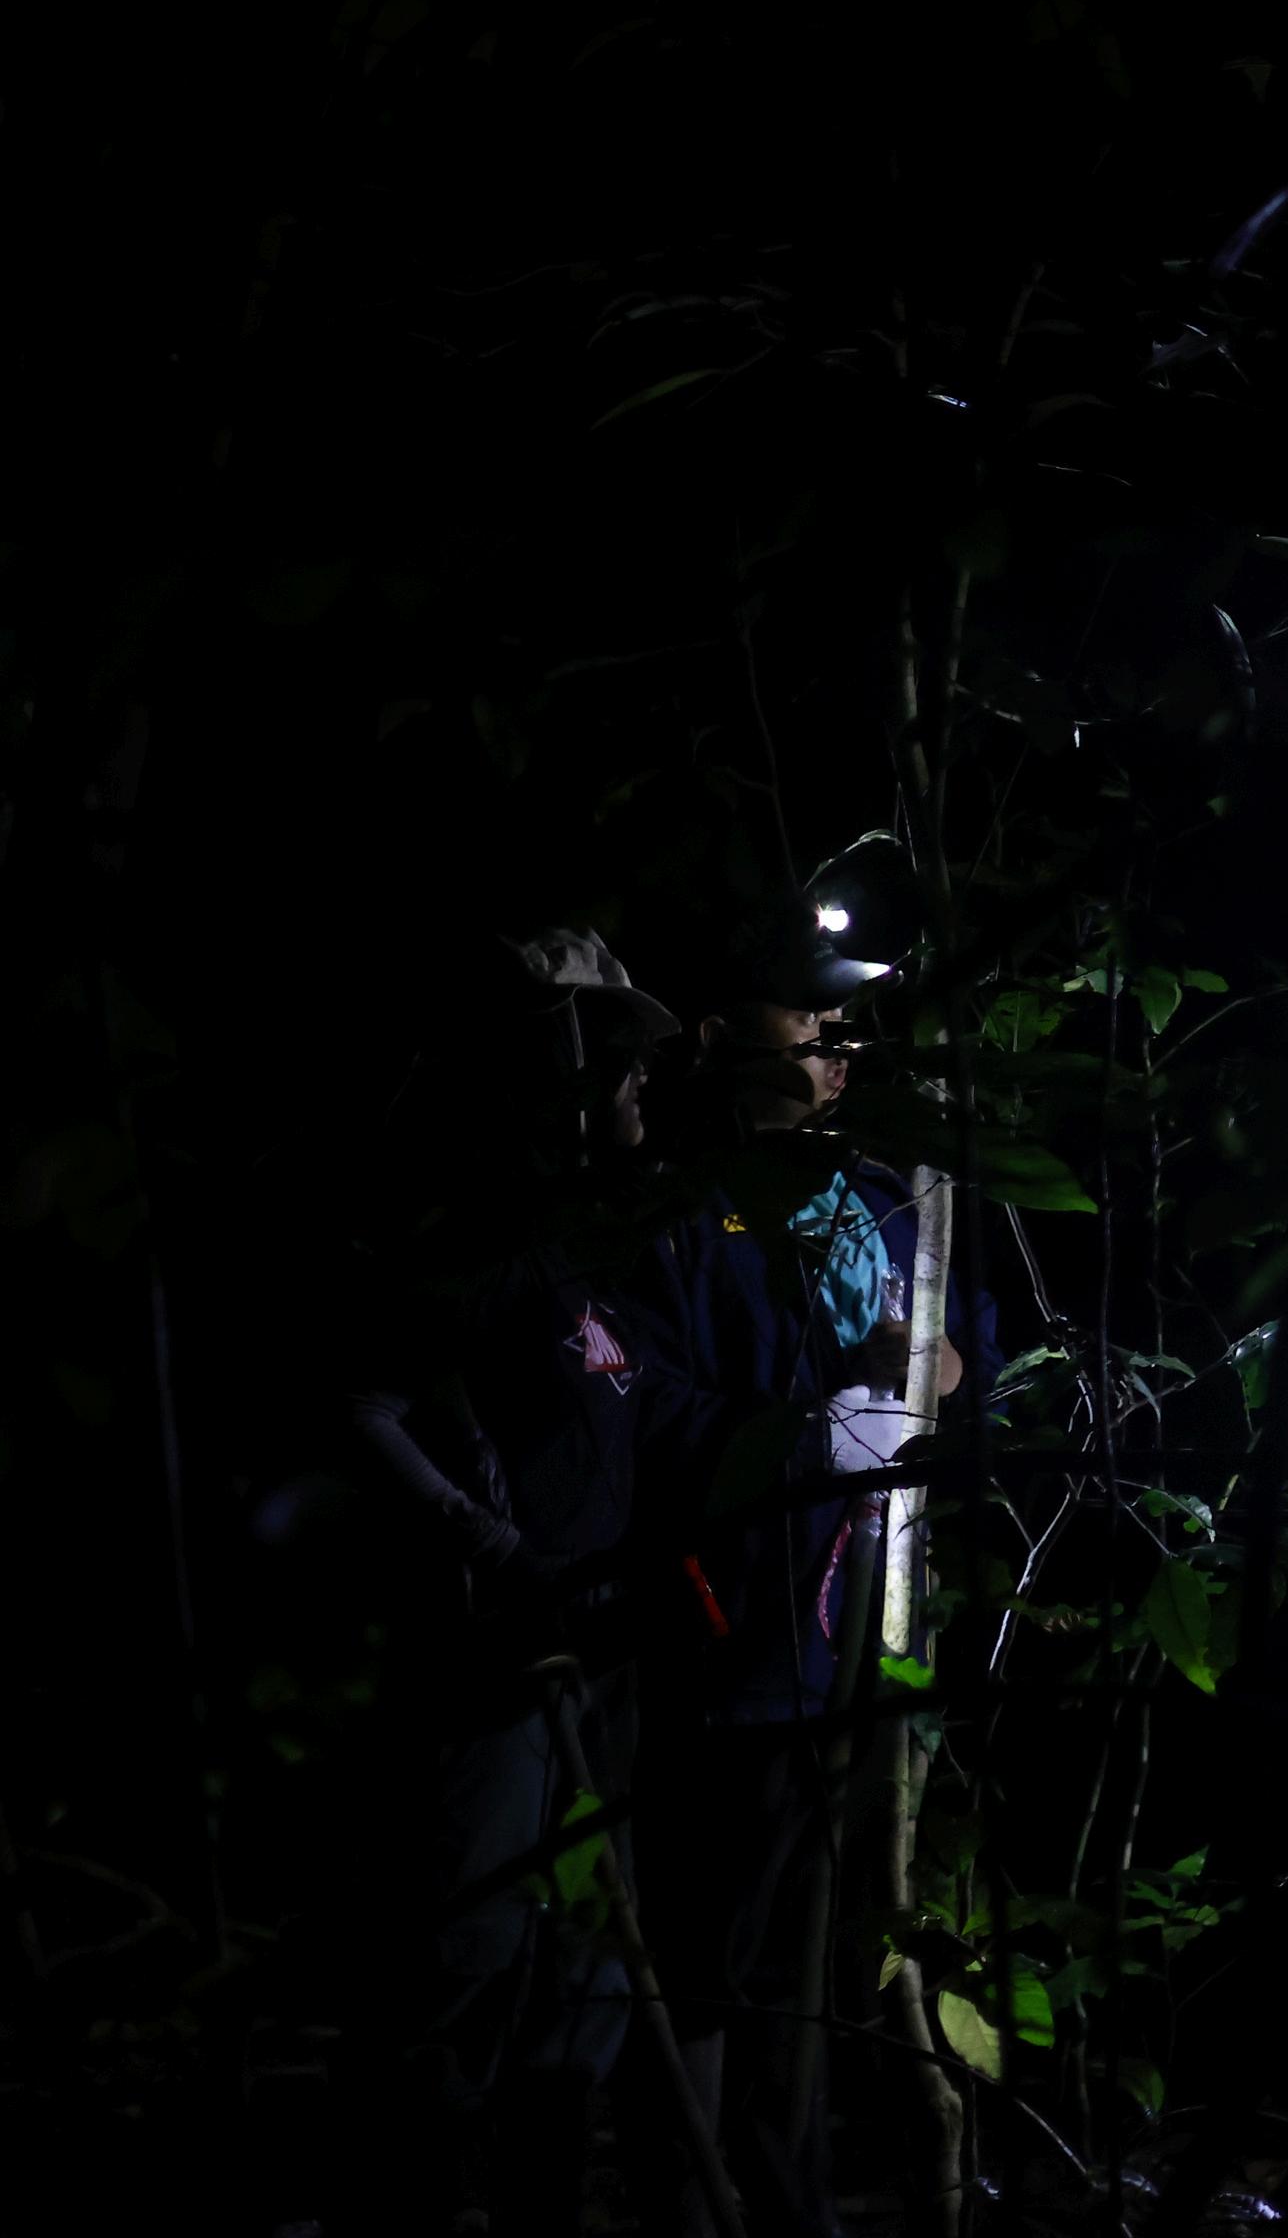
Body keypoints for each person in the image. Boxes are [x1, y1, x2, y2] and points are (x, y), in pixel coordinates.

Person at [327, 929, 723, 2238]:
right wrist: (496, 1555)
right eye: (615, 1059)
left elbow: (653, 1406)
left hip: (599, 1655)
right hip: (495, 1664)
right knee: (468, 1945)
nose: (639, 1085)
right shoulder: (476, 1237)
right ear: (556, 1068)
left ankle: (539, 2200)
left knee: (591, 1958)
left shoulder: (597, 1249)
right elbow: (365, 1406)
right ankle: (410, 2200)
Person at [630, 848, 981, 2238]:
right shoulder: (675, 1207)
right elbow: (645, 1401)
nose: (834, 1039)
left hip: (867, 1633)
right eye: (804, 1013)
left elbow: (961, 1354)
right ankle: (696, 2199)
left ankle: (795, 2202)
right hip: (731, 1629)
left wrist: (924, 1373)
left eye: (843, 1018)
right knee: (710, 1946)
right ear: (724, 1032)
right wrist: (809, 1431)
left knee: (824, 1951)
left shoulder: (885, 1195)